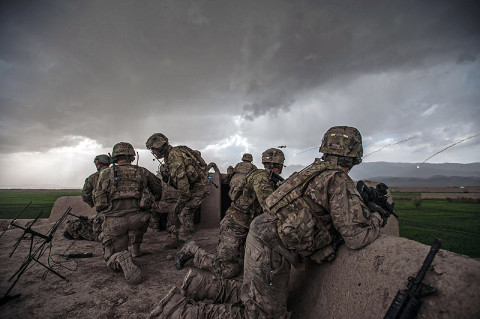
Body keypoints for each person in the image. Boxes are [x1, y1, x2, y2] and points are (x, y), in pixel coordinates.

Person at [149, 126, 390, 318]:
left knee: (252, 291)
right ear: (354, 156)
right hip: (262, 241)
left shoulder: (310, 171)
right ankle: (180, 312)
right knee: (262, 314)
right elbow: (357, 237)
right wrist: (377, 216)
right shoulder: (336, 179)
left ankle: (198, 285)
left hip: (260, 234)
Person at [174, 148, 285, 279]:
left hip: (248, 228)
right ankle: (191, 250)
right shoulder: (261, 178)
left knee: (247, 264)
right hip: (234, 226)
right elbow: (269, 206)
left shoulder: (270, 179)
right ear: (278, 164)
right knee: (227, 270)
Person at [94, 142, 162, 284]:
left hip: (115, 221)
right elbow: (158, 189)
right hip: (139, 219)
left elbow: (99, 202)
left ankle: (120, 257)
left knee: (110, 257)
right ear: (132, 157)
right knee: (142, 219)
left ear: (114, 157)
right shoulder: (141, 171)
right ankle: (136, 249)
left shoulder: (105, 173)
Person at [146, 133, 209, 248]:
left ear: (160, 147)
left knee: (184, 212)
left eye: (154, 150)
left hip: (198, 189)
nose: (153, 153)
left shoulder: (174, 157)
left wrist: (180, 203)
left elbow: (184, 189)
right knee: (178, 212)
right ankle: (180, 240)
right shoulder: (174, 153)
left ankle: (187, 246)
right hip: (195, 187)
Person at [63, 154, 110, 241]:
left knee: (72, 226)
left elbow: (85, 195)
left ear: (98, 164)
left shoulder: (93, 178)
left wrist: (94, 203)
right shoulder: (118, 174)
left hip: (105, 214)